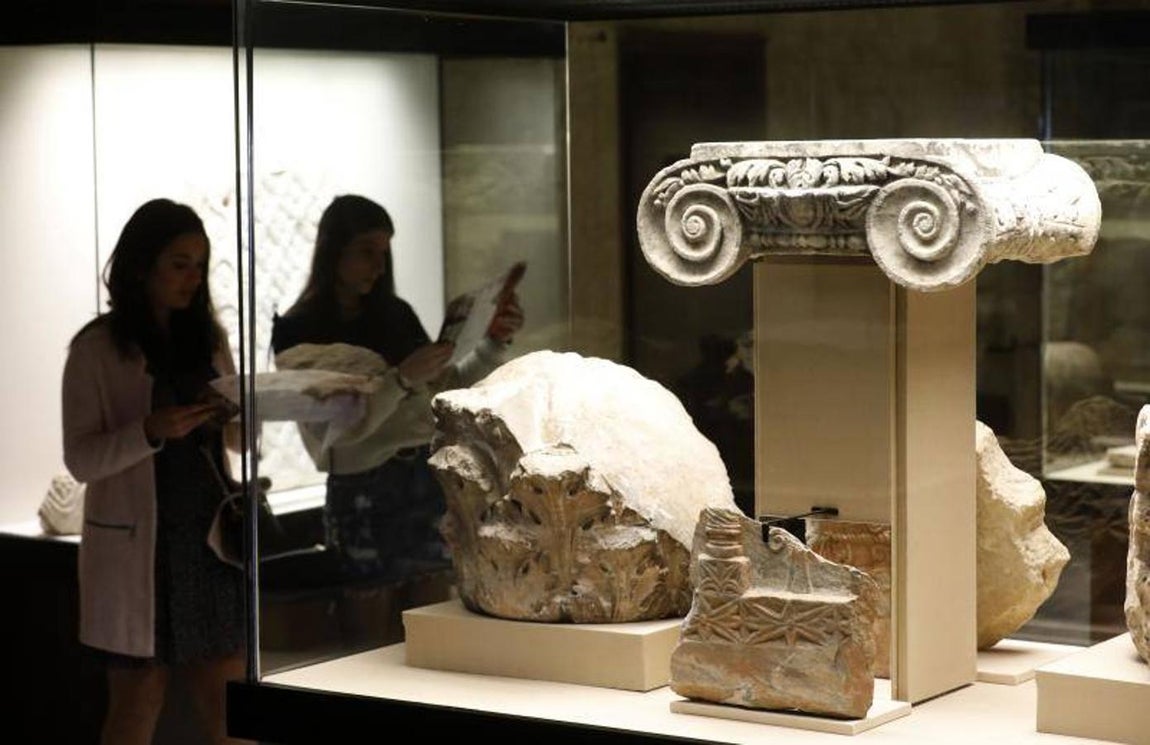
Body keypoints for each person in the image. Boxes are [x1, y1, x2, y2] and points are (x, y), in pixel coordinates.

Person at [61, 198, 252, 745]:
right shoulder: (96, 349)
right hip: (138, 554)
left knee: (227, 705)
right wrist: (151, 430)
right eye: (179, 263)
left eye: (200, 264)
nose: (193, 277)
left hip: (207, 546)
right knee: (136, 706)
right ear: (142, 265)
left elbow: (240, 442)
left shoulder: (208, 341)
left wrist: (234, 416)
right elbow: (81, 459)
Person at [270, 194, 523, 592]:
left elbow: (442, 394)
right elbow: (336, 434)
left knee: (433, 609)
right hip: (363, 489)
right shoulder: (297, 330)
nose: (378, 266)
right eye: (366, 252)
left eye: (384, 252)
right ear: (333, 252)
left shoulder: (394, 313)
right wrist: (400, 380)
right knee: (366, 617)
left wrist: (492, 344)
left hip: (425, 478)